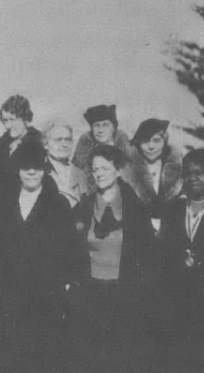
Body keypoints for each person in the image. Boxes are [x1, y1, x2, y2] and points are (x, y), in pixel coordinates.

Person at [0, 141, 75, 373]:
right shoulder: (1, 202)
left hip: (43, 302)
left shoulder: (58, 204)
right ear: (18, 169)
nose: (32, 172)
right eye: (26, 167)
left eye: (37, 166)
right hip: (7, 301)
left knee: (41, 360)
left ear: (45, 169)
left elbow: (67, 253)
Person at [68, 145, 158, 373]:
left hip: (124, 296)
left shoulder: (136, 209)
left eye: (105, 168)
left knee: (121, 359)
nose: (99, 174)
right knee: (90, 359)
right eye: (95, 169)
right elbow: (69, 250)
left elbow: (149, 256)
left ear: (118, 171)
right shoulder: (83, 208)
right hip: (90, 295)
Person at [158, 149, 204, 369]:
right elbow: (161, 252)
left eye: (201, 172)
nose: (193, 177)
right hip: (177, 303)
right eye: (188, 173)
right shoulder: (173, 209)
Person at [125, 118, 182, 218]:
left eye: (156, 140)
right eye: (145, 141)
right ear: (138, 143)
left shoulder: (179, 170)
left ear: (165, 141)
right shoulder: (126, 170)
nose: (151, 146)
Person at [72, 104, 131, 177]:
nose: (101, 130)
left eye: (105, 125)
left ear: (114, 128)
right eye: (96, 125)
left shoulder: (124, 146)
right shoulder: (85, 145)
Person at [42, 118, 90, 207]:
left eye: (67, 139)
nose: (64, 144)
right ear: (45, 144)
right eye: (58, 140)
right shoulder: (39, 172)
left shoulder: (81, 175)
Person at [0, 94, 41, 159]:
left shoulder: (39, 142)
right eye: (5, 120)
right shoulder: (0, 143)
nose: (8, 126)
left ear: (25, 119)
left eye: (12, 120)